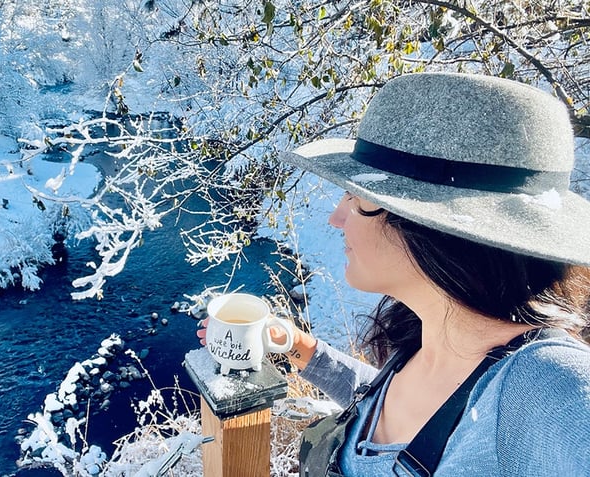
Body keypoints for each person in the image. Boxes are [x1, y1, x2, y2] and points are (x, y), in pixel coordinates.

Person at [198, 72, 590, 476]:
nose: (336, 217)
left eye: (358, 198)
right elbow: (391, 411)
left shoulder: (549, 386)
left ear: (436, 228)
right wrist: (301, 349)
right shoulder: (429, 337)